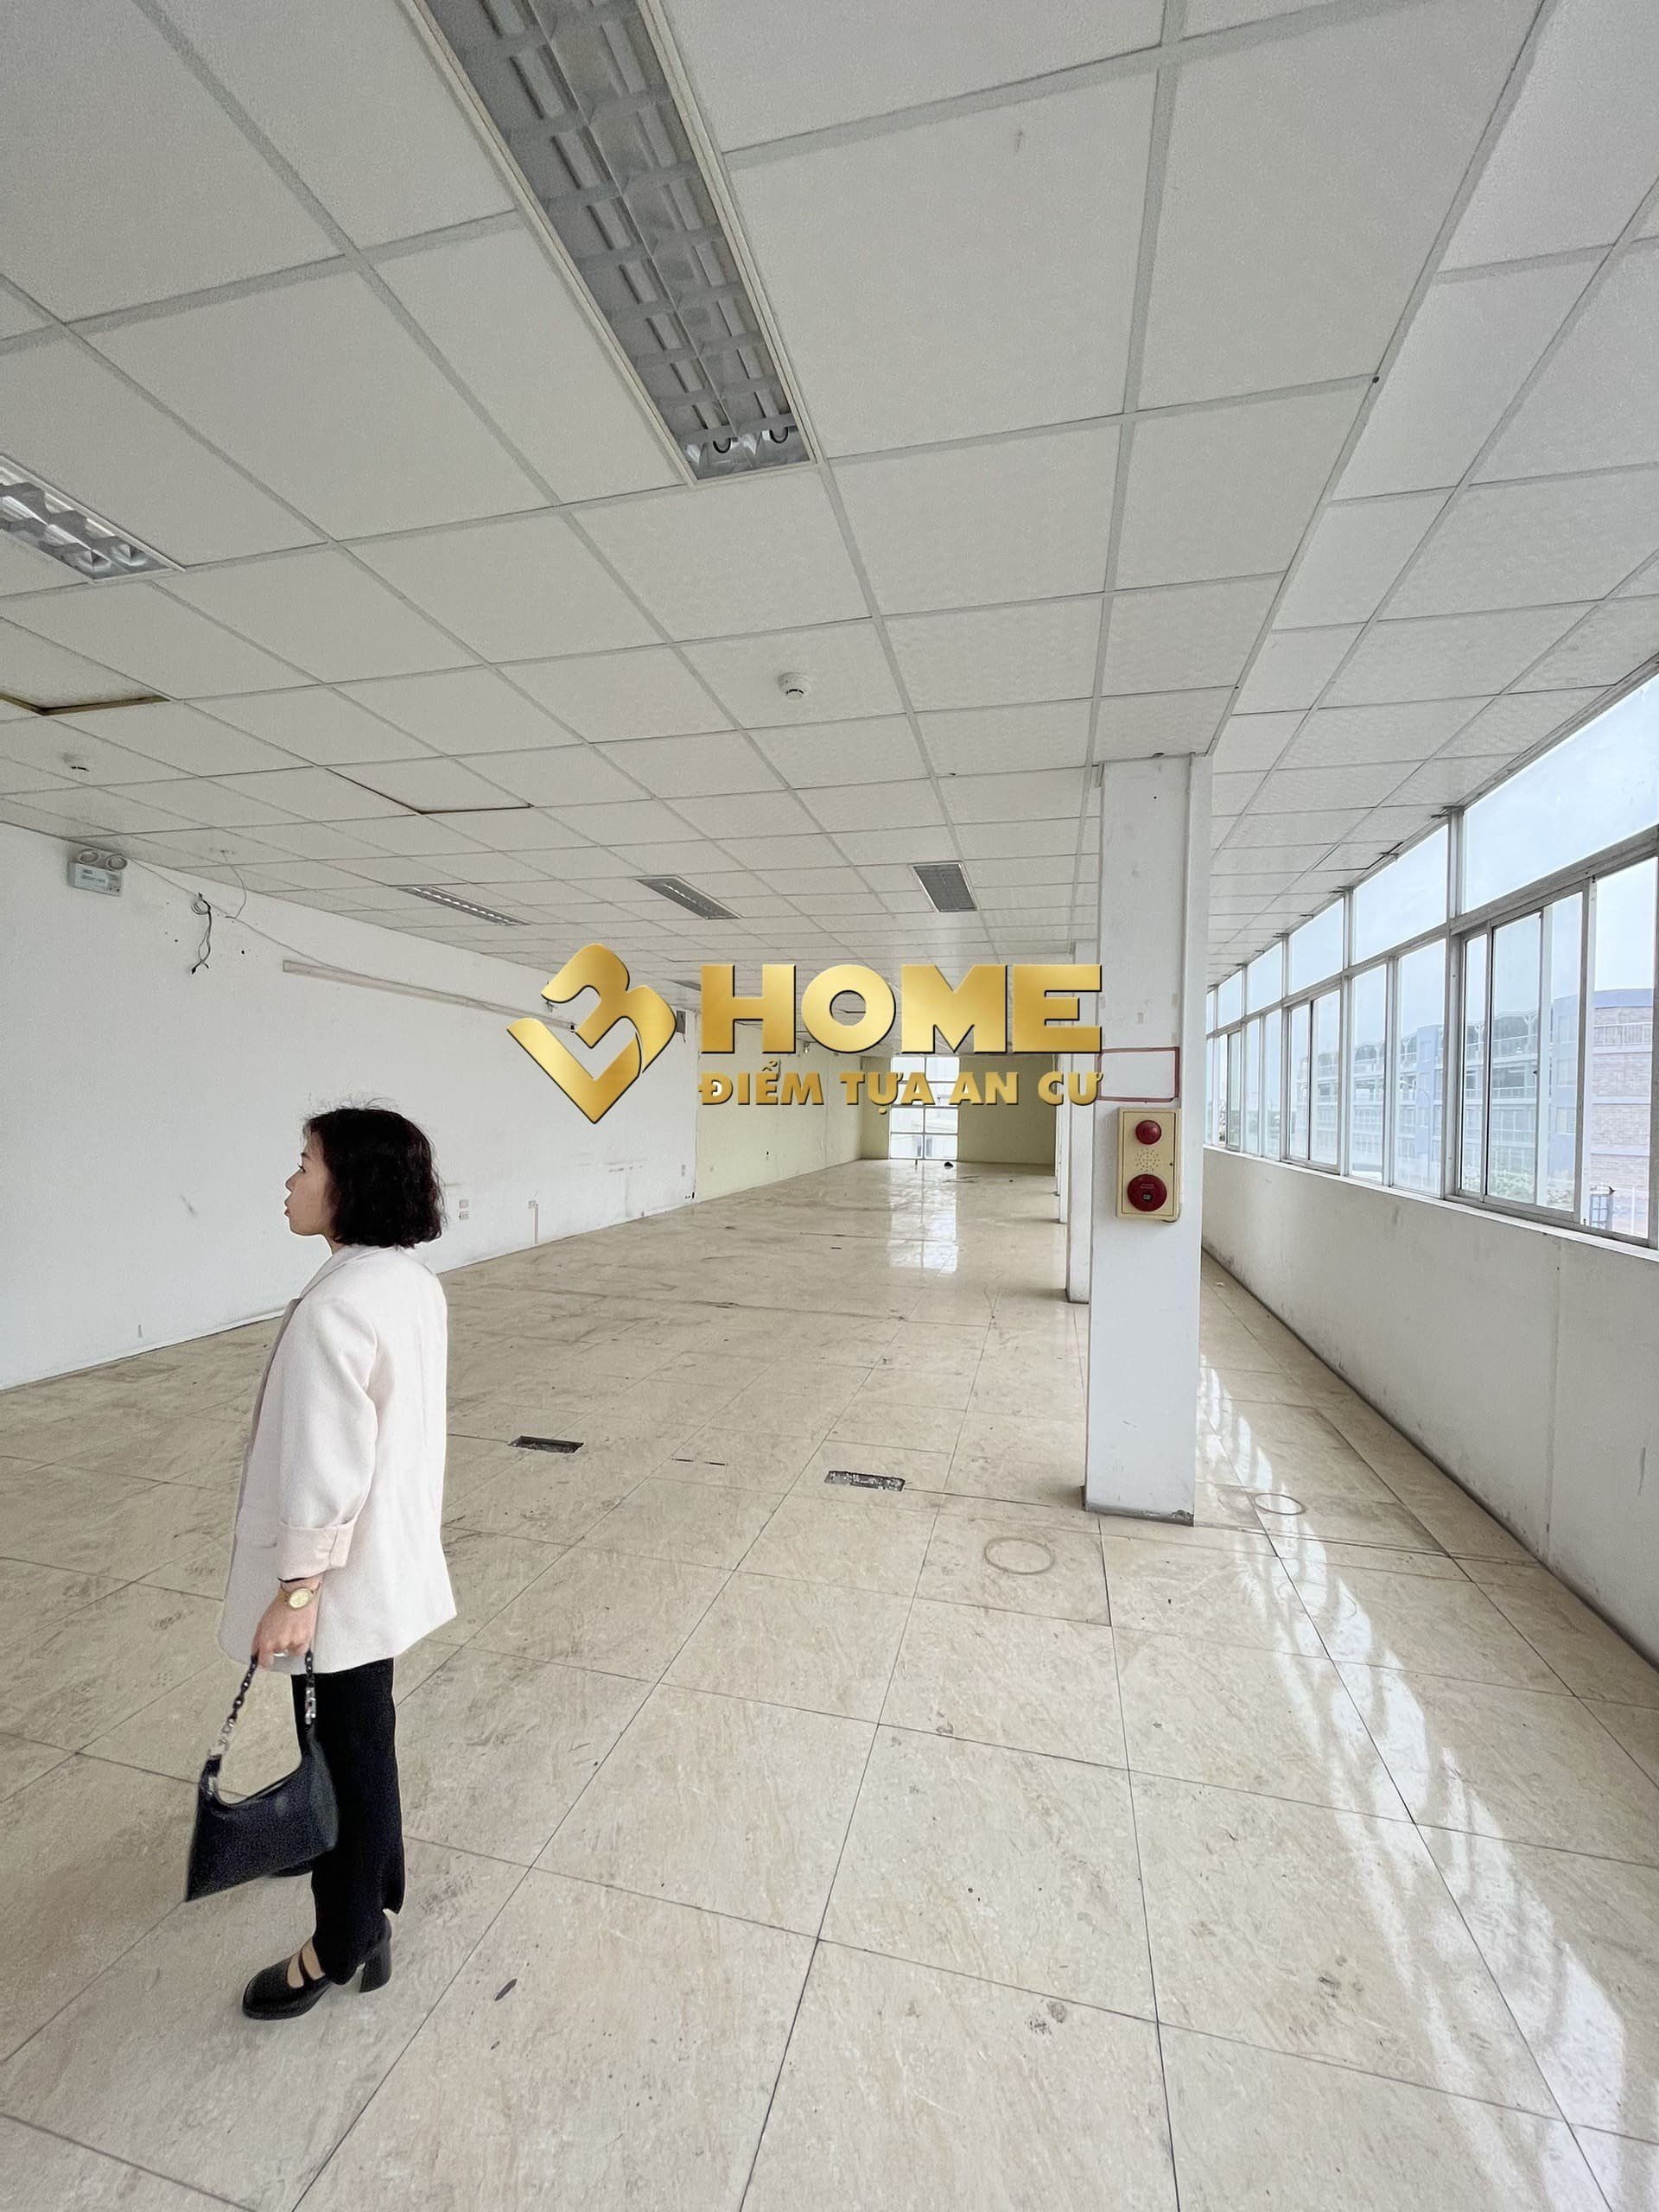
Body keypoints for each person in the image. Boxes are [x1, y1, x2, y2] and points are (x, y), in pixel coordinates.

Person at [221, 1106, 454, 2022]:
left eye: (306, 1164)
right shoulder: (407, 1281)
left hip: (340, 1586)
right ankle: (364, 1872)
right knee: (362, 1739)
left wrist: (297, 1590)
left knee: (346, 1759)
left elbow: (325, 1467)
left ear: (348, 1185)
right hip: (385, 1564)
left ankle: (347, 1938)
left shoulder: (335, 1308)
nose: (291, 1182)